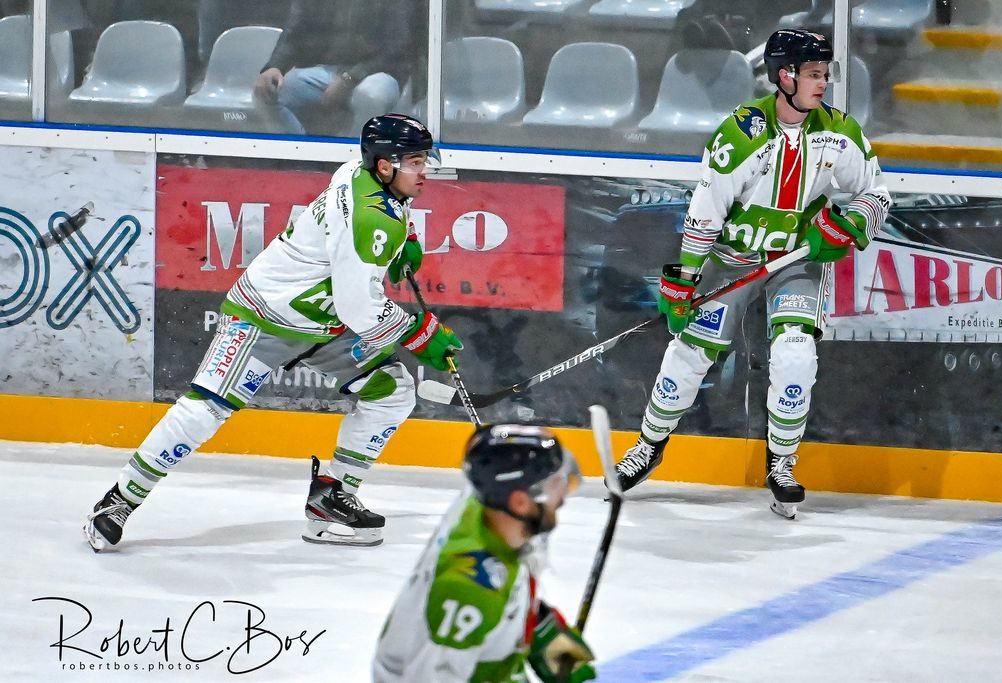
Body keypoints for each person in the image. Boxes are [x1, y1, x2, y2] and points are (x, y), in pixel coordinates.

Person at [84, 113, 463, 551]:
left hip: (323, 324)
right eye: (415, 162)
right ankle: (118, 501)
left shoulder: (363, 177)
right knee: (206, 409)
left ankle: (330, 497)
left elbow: (361, 261)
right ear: (385, 165)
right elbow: (360, 308)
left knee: (391, 392)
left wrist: (403, 244)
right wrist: (419, 333)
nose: (425, 172)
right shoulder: (369, 216)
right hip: (265, 316)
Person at [613, 29, 891, 519]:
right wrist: (684, 281)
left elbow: (877, 192)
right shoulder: (741, 135)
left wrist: (850, 223)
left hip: (795, 262)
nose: (823, 82)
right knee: (690, 353)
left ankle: (781, 464)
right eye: (813, 74)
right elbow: (706, 212)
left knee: (795, 354)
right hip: (732, 259)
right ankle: (650, 444)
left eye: (825, 73)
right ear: (784, 76)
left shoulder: (839, 133)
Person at [373, 423, 596, 682]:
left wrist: (536, 625)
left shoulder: (488, 508)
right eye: (554, 484)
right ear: (520, 502)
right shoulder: (469, 591)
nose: (563, 495)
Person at [252, 0, 419, 136]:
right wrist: (275, 66)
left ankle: (355, 162)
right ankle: (302, 158)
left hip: (379, 72)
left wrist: (350, 77)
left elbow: (398, 48)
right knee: (267, 92)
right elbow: (295, 33)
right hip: (327, 71)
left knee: (370, 96)